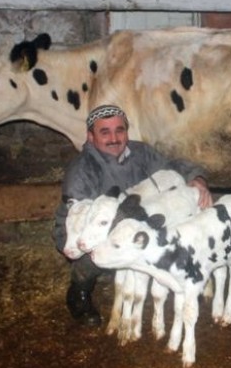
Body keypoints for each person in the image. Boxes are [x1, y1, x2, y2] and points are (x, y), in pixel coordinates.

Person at [53, 104, 213, 327]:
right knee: (92, 244)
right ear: (90, 137)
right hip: (93, 231)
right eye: (104, 132)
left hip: (136, 224)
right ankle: (79, 292)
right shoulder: (82, 171)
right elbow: (76, 221)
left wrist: (196, 179)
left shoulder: (141, 152)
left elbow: (171, 167)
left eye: (119, 130)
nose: (114, 138)